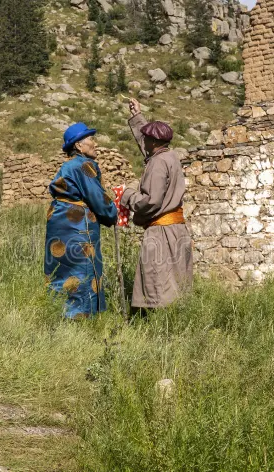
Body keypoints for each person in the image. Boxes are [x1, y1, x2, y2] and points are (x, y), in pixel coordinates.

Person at [120, 98, 193, 312]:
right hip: (177, 229)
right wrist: (137, 116)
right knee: (176, 283)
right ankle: (175, 324)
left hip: (161, 232)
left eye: (147, 140)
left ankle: (160, 329)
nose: (145, 143)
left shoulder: (158, 163)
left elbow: (151, 201)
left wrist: (128, 196)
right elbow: (149, 150)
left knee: (157, 284)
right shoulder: (170, 156)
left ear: (152, 142)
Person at [45, 122, 118, 320]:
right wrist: (113, 213)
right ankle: (80, 318)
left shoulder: (67, 166)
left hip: (59, 221)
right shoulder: (84, 165)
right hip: (77, 224)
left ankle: (56, 314)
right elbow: (97, 198)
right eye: (91, 139)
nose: (96, 144)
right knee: (82, 269)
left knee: (61, 269)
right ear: (78, 145)